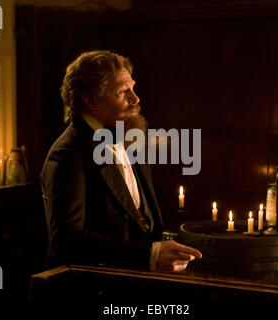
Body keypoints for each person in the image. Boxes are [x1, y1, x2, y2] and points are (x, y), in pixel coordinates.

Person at [40, 50, 202, 273]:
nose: (135, 98)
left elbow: (141, 219)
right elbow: (67, 242)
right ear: (90, 100)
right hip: (94, 290)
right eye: (123, 91)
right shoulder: (67, 154)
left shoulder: (129, 134)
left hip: (137, 282)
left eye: (133, 87)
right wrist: (151, 254)